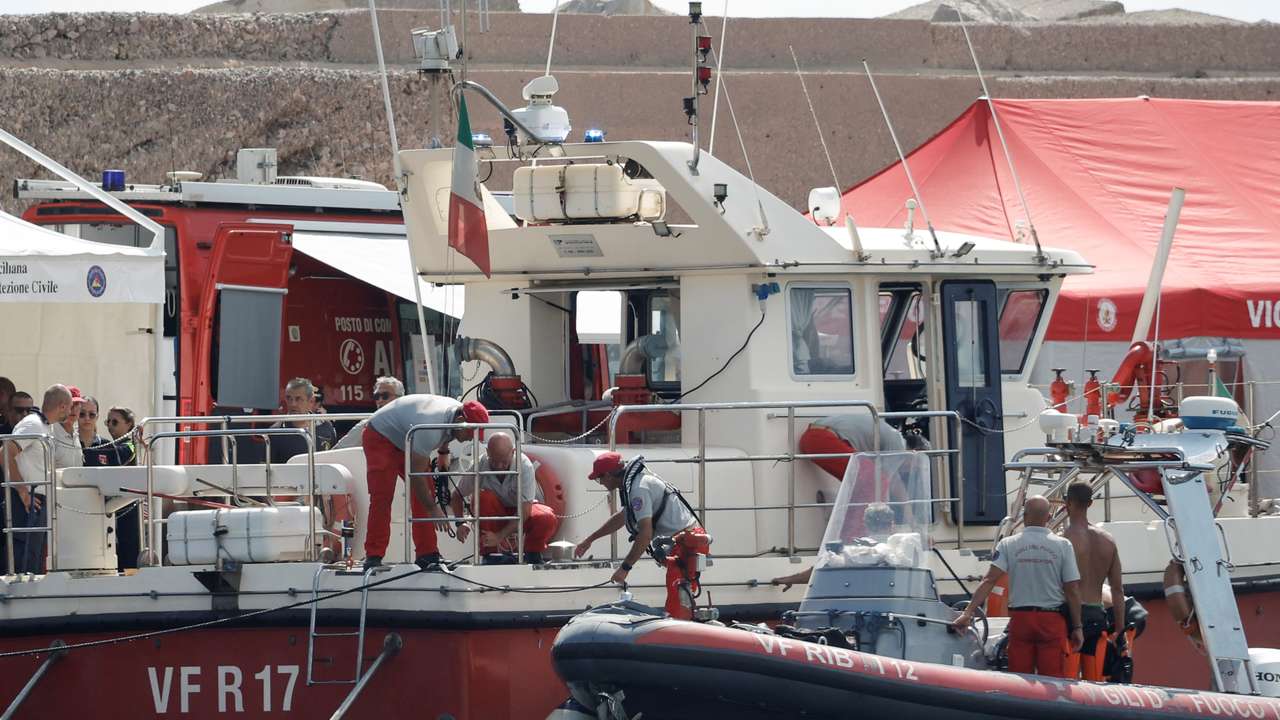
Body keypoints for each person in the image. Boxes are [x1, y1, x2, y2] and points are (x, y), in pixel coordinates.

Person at [952, 495, 1083, 678]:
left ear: (1024, 516)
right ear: (1048, 517)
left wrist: (968, 612)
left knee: (1020, 679)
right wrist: (1077, 627)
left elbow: (989, 580)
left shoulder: (1008, 544)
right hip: (1052, 620)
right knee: (1053, 679)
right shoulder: (1063, 545)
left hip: (1021, 619)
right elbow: (1072, 589)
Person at [573, 452, 710, 620]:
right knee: (679, 589)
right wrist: (590, 540)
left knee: (679, 588)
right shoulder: (636, 485)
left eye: (599, 479)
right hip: (682, 539)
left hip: (688, 542)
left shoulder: (638, 489)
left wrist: (625, 569)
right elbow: (623, 517)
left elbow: (645, 534)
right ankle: (681, 622)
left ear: (608, 475)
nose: (600, 483)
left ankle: (682, 624)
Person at [361, 394, 490, 570]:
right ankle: (373, 556)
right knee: (382, 496)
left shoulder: (457, 414)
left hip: (407, 437)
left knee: (425, 493)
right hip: (380, 436)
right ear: (461, 420)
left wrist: (443, 452)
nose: (471, 438)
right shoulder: (430, 429)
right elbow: (416, 476)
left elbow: (449, 431)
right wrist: (432, 508)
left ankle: (427, 554)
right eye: (471, 432)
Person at [450, 433, 559, 563]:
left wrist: (499, 536)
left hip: (521, 512)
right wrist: (460, 522)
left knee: (546, 517)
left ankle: (532, 553)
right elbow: (456, 494)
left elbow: (525, 511)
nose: (499, 466)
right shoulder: (479, 465)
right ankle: (490, 555)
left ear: (513, 452)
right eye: (494, 461)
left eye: (504, 462)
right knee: (483, 498)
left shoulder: (524, 466)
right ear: (487, 452)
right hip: (494, 514)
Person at [4, 385, 74, 573]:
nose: (70, 412)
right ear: (61, 406)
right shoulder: (33, 423)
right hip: (28, 500)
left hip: (39, 499)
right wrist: (22, 490)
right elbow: (6, 451)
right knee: (24, 559)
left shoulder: (45, 426)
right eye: (69, 407)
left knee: (34, 558)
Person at [1062, 483, 1125, 680]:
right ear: (1090, 503)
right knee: (1094, 682)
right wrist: (1120, 631)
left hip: (1071, 616)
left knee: (1068, 682)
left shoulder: (1064, 539)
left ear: (1067, 504)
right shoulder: (1108, 540)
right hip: (1097, 615)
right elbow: (1117, 590)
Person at [103, 406, 140, 570]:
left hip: (128, 505)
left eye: (115, 422)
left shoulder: (131, 445)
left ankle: (131, 578)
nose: (110, 426)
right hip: (115, 504)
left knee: (129, 547)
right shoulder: (111, 444)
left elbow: (122, 455)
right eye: (108, 422)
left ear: (129, 424)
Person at [269, 378, 336, 463]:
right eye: (289, 398)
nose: (293, 404)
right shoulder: (276, 432)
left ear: (311, 401)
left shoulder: (326, 427)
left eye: (298, 399)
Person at [333, 376, 405, 450]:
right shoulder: (368, 425)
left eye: (385, 395)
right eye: (377, 396)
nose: (380, 400)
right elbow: (338, 450)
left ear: (399, 398)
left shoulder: (410, 420)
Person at [50, 386, 85, 470]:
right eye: (70, 404)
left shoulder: (76, 433)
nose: (73, 408)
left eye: (77, 404)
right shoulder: (51, 432)